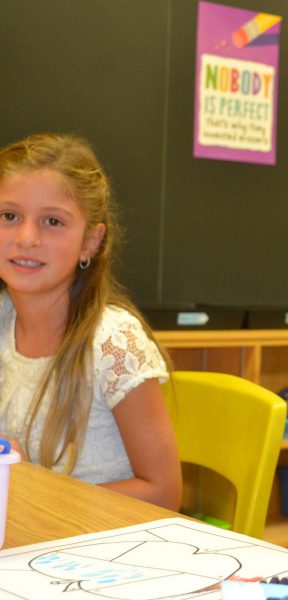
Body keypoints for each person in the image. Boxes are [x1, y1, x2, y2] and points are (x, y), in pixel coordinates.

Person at [0, 133, 182, 510]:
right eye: (9, 216)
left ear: (90, 242)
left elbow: (164, 494)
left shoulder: (114, 344)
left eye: (52, 221)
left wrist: (34, 489)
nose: (26, 238)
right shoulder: (4, 316)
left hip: (100, 551)